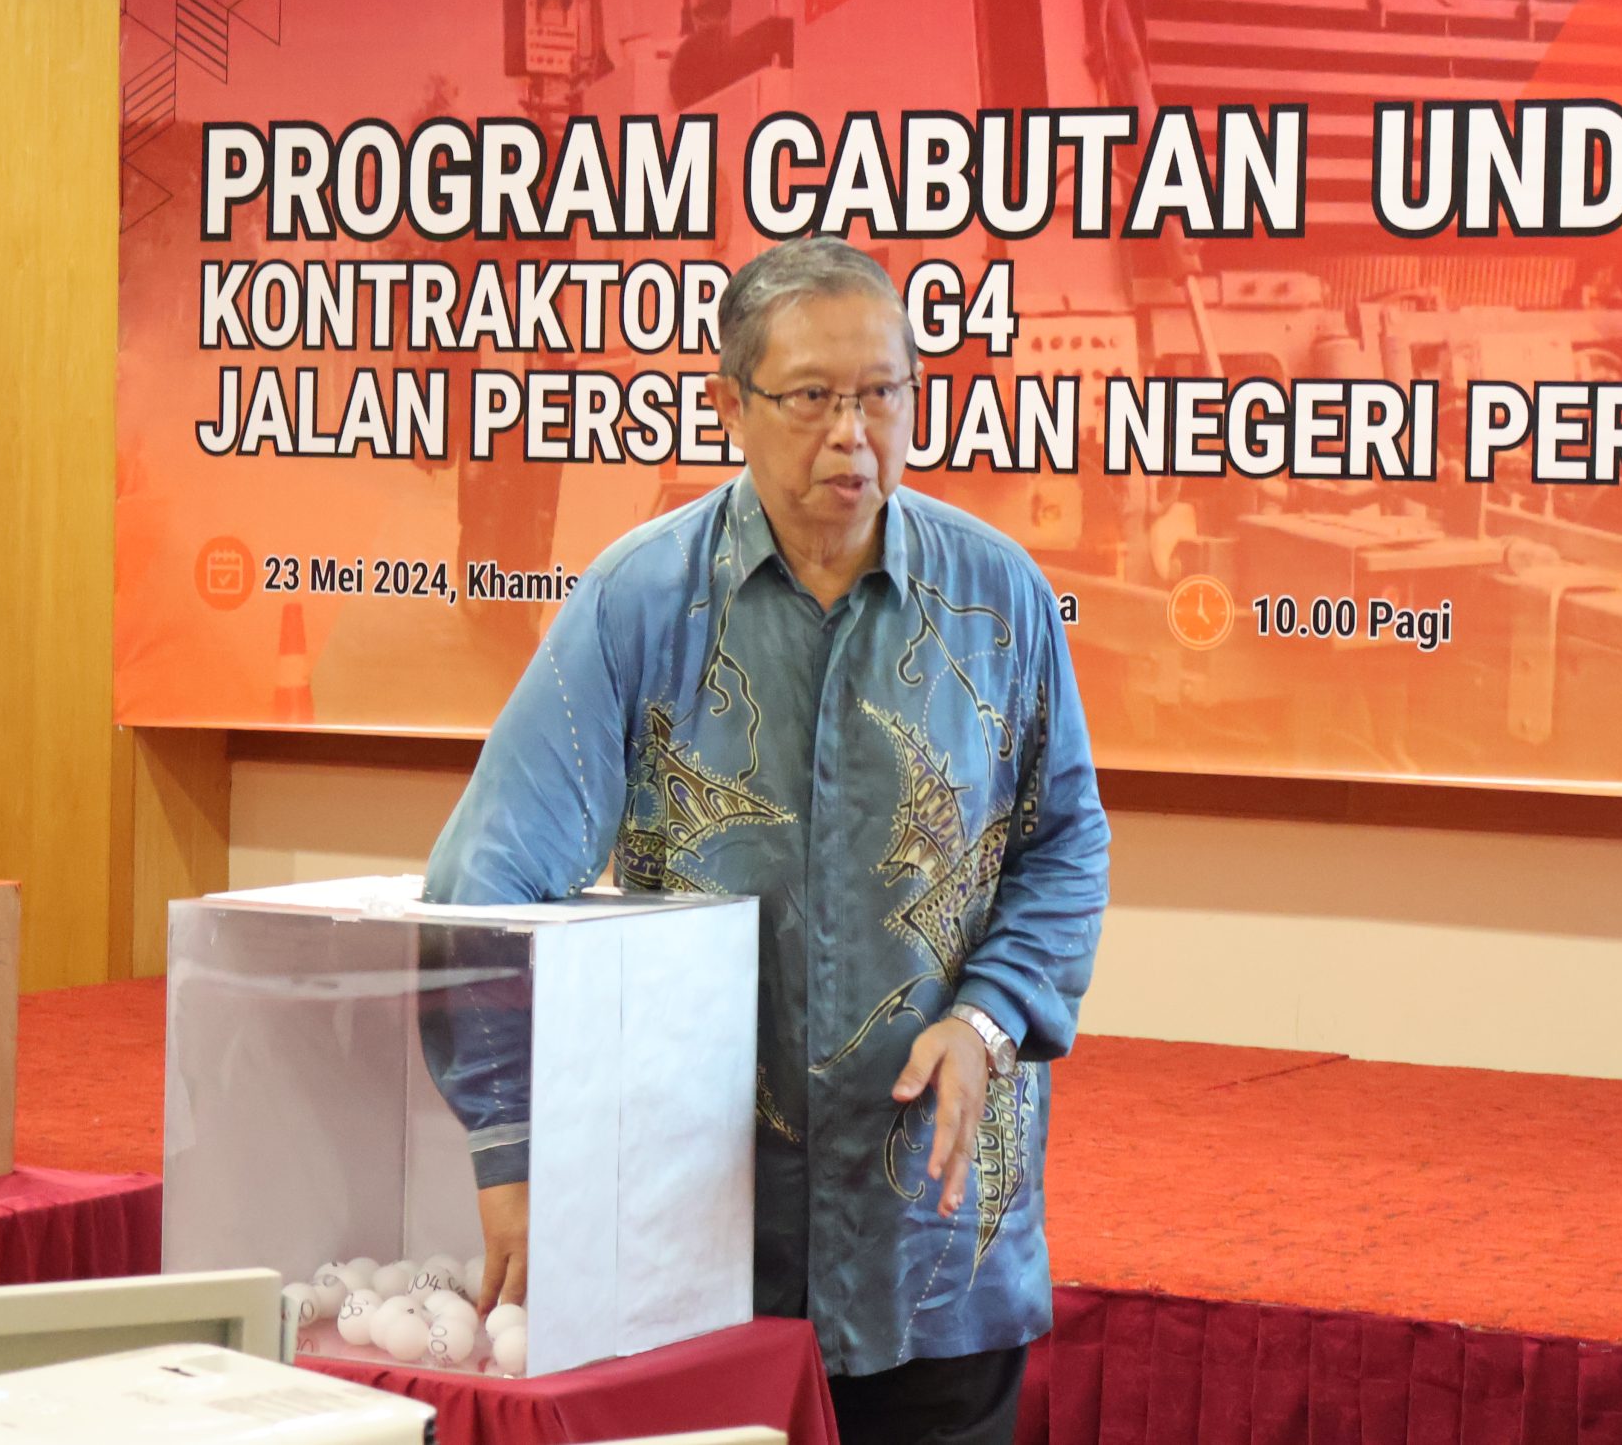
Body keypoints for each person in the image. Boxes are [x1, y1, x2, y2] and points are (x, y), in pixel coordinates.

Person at [422, 235, 1111, 1445]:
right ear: (729, 406)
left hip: (932, 1245)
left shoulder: (997, 598)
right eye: (810, 399)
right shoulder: (640, 601)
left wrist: (990, 1020)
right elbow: (484, 886)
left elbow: (1061, 849)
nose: (852, 435)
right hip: (697, 1240)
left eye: (882, 394)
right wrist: (511, 1149)